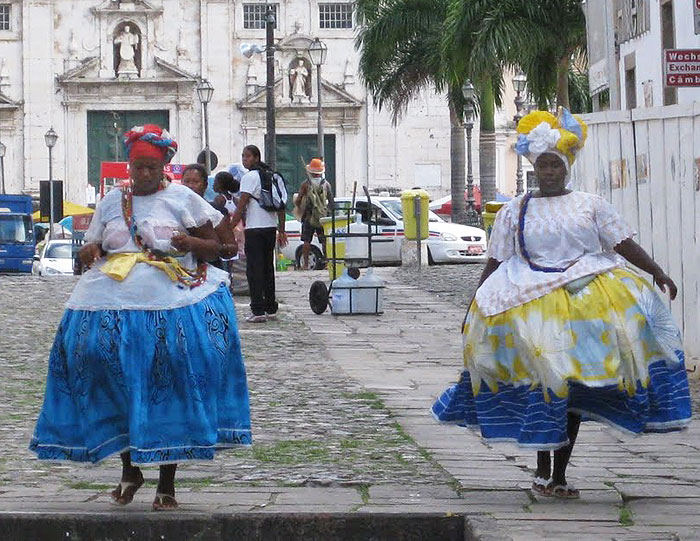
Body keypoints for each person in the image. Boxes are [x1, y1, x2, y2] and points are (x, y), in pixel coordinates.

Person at [432, 109, 691, 500]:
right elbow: (497, 260)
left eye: (555, 164)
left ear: (567, 167)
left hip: (587, 308)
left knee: (569, 389)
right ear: (534, 168)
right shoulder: (514, 210)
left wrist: (656, 271)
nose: (549, 171)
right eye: (543, 165)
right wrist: (475, 303)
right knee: (543, 383)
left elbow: (621, 243)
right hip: (526, 305)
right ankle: (541, 465)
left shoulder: (591, 205)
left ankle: (560, 472)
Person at [29, 125, 252, 511]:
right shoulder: (112, 202)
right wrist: (90, 251)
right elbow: (94, 244)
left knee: (169, 380)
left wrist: (191, 244)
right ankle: (129, 467)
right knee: (107, 368)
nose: (143, 175)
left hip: (169, 300)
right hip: (112, 295)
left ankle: (167, 481)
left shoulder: (184, 199)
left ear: (165, 164)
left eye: (150, 167)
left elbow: (225, 245)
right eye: (137, 168)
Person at [230, 145, 287, 322]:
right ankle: (271, 307)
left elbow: (242, 205)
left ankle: (257, 310)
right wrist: (282, 230)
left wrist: (231, 226)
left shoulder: (250, 177)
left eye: (247, 156)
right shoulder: (273, 176)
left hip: (254, 229)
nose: (244, 159)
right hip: (270, 228)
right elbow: (281, 206)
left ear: (256, 157)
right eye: (243, 156)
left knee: (254, 270)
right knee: (268, 269)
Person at [181, 163, 238, 267]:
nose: (190, 186)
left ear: (205, 185)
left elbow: (232, 248)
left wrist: (214, 247)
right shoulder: (175, 209)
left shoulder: (215, 211)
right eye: (186, 181)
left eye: (195, 182)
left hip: (209, 271)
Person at [294, 158, 333, 270]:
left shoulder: (305, 184)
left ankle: (305, 264)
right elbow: (331, 201)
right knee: (325, 240)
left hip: (308, 216)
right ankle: (327, 263)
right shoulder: (326, 184)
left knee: (306, 241)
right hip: (322, 217)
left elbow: (299, 200)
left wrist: (298, 204)